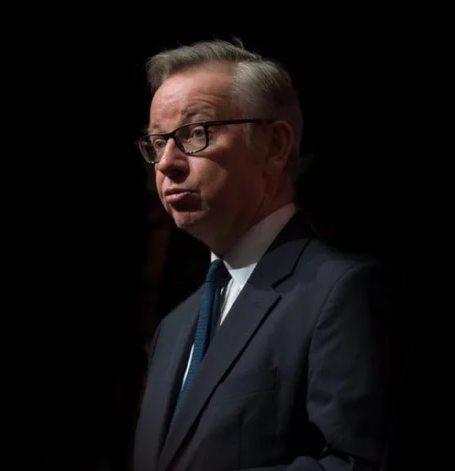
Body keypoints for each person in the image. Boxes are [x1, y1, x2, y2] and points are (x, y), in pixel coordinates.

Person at [132, 39, 403, 471]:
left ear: (275, 146)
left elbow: (355, 463)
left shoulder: (343, 292)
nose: (166, 163)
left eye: (195, 133)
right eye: (157, 141)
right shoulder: (175, 326)